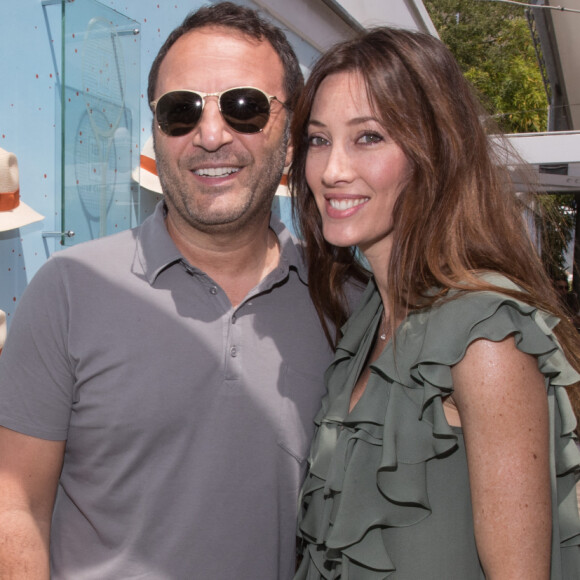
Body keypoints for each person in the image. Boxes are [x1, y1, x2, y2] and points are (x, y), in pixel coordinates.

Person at [0, 3, 337, 578]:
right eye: (181, 111)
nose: (210, 135)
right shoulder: (67, 290)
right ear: (156, 129)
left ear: (291, 133)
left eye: (244, 108)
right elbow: (15, 506)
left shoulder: (343, 302)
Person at [289, 27, 580, 579]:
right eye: (319, 139)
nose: (331, 171)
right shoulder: (365, 322)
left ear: (434, 152)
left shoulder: (486, 333)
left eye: (368, 137)